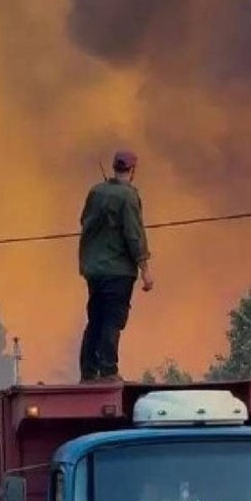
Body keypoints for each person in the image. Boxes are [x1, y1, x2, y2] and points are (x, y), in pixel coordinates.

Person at [78, 150, 153, 383]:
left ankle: (88, 372)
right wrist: (145, 269)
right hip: (118, 270)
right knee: (113, 319)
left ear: (114, 168)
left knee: (96, 319)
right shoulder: (128, 197)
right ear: (133, 170)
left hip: (94, 270)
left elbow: (84, 221)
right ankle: (109, 370)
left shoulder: (95, 192)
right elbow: (133, 234)